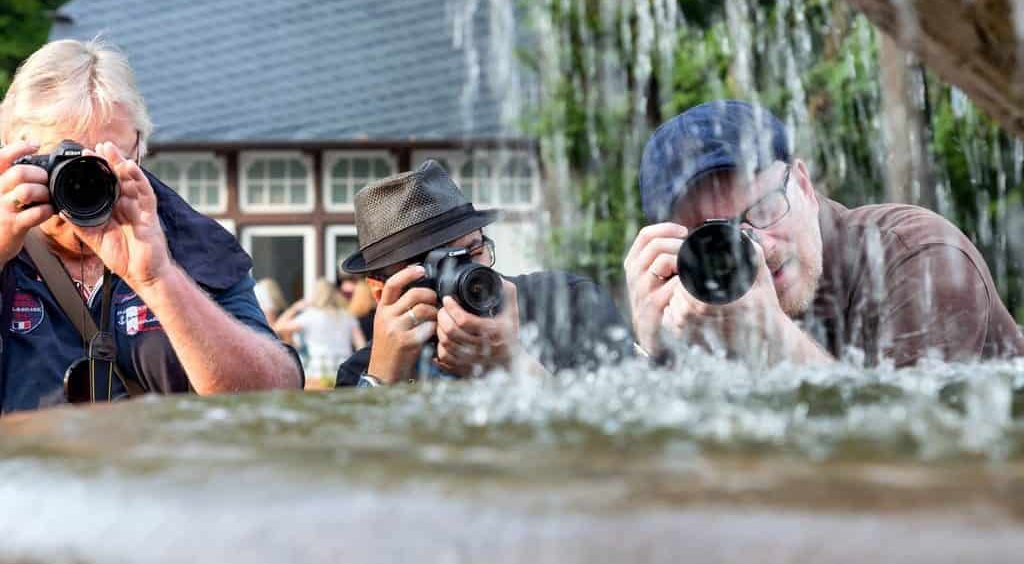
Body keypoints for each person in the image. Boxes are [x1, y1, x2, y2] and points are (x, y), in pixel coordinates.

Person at [0, 38, 302, 412]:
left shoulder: (191, 241)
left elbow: (277, 395)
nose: (78, 181)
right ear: (10, 150)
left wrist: (159, 278)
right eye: (56, 161)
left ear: (138, 149)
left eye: (100, 161)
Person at [626, 99, 1024, 368]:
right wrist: (656, 353)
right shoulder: (699, 308)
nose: (759, 247)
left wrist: (773, 337)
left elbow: (911, 450)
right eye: (717, 236)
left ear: (804, 186)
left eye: (764, 209)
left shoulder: (920, 256)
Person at [335, 159, 632, 387]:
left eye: (472, 252)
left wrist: (514, 362)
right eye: (433, 267)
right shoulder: (361, 370)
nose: (460, 275)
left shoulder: (566, 303)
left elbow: (622, 426)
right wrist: (379, 381)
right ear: (380, 292)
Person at [275, 279, 358, 388]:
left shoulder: (311, 315)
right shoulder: (347, 316)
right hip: (344, 370)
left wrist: (294, 308)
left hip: (317, 371)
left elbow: (278, 327)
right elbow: (360, 344)